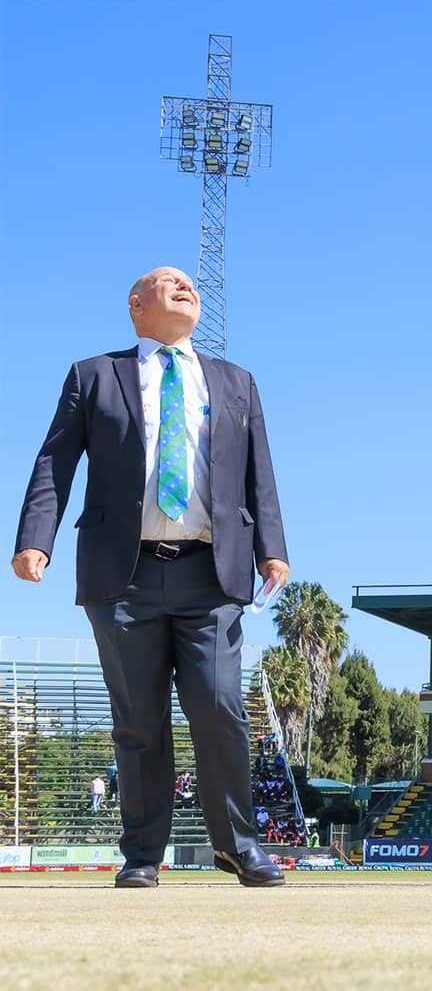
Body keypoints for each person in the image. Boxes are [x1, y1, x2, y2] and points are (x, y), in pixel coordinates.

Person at [13, 267, 289, 890]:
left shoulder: (235, 380)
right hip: (123, 575)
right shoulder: (93, 375)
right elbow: (55, 459)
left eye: (188, 281)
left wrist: (272, 548)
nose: (183, 284)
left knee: (219, 706)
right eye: (167, 281)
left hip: (211, 574)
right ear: (136, 306)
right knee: (137, 721)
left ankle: (239, 846)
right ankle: (142, 855)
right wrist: (35, 538)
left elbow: (259, 471)